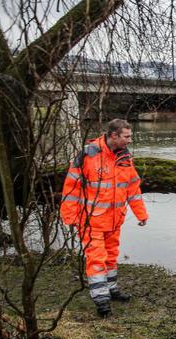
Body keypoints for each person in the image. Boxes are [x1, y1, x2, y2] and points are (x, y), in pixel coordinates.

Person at [60, 119, 148, 318]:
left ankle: (112, 290)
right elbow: (71, 187)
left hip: (115, 220)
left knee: (111, 256)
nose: (130, 140)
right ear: (114, 136)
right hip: (91, 221)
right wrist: (70, 216)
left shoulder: (125, 157)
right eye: (126, 136)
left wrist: (141, 214)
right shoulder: (88, 155)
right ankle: (102, 302)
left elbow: (133, 188)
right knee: (97, 260)